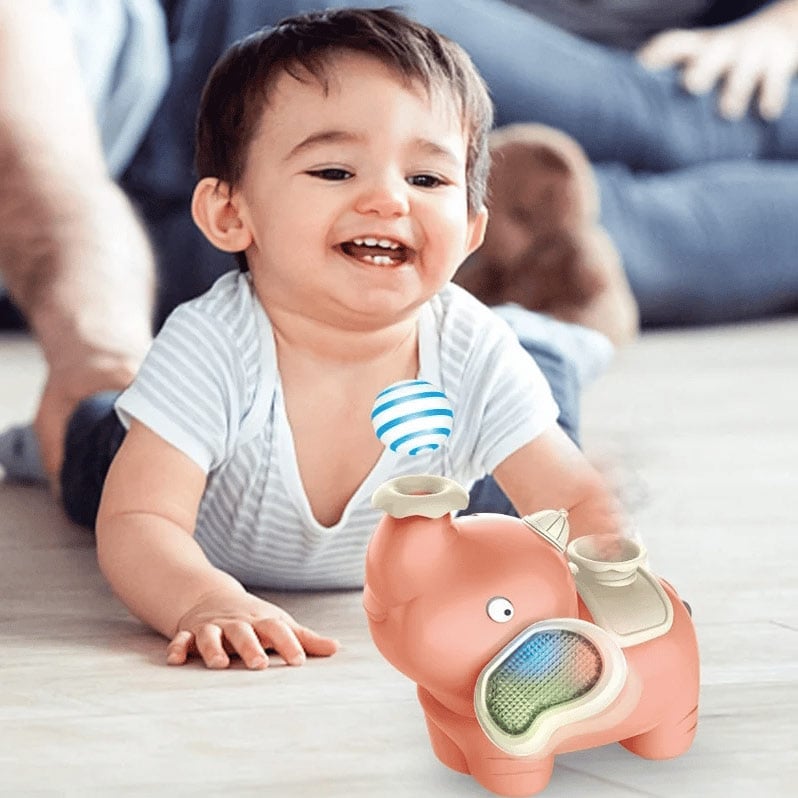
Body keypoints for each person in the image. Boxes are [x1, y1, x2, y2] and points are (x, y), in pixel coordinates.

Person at [51, 8, 624, 670]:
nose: (388, 200)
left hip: (446, 490)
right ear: (231, 213)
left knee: (543, 443)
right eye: (334, 171)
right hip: (193, 488)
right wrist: (203, 598)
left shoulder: (473, 348)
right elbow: (138, 524)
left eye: (427, 179)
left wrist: (611, 590)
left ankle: (555, 336)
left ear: (470, 231)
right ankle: (75, 417)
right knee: (92, 454)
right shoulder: (212, 346)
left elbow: (574, 499)